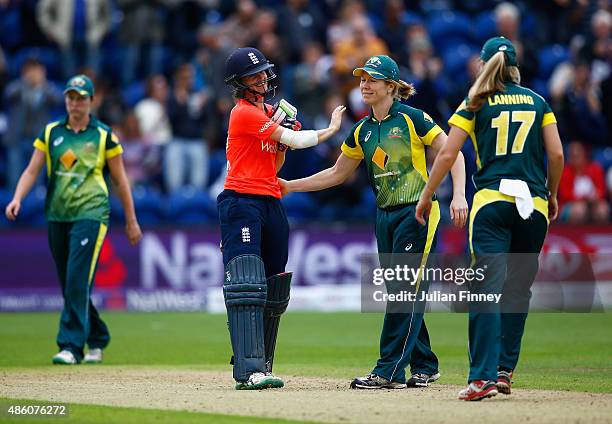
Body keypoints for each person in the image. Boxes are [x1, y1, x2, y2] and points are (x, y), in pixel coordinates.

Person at [280, 55, 468, 389]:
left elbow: (452, 151)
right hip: (384, 216)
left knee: (403, 291)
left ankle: (389, 370)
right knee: (400, 290)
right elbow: (337, 174)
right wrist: (291, 186)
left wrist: (458, 195)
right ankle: (424, 363)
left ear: (391, 86)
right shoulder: (363, 130)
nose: (364, 85)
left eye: (372, 80)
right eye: (362, 79)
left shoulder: (413, 119)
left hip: (418, 212)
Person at [415, 37, 564, 401]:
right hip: (534, 205)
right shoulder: (537, 100)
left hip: (492, 203)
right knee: (517, 291)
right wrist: (552, 193)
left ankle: (481, 379)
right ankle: (504, 370)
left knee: (485, 291)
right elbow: (557, 153)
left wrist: (427, 193)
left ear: (484, 65)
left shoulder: (476, 100)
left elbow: (448, 154)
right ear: (515, 67)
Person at [219, 47, 345, 390]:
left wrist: (278, 147)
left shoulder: (270, 114)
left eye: (264, 73)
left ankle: (262, 362)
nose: (263, 78)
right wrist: (330, 129)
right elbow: (294, 138)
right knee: (247, 282)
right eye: (254, 75)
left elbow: (274, 166)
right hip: (241, 199)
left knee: (273, 284)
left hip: (271, 199)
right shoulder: (242, 113)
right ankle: (248, 369)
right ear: (240, 83)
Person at [4, 74, 142, 365]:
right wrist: (17, 197)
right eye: (71, 98)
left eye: (81, 98)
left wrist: (131, 221)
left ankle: (70, 345)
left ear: (92, 101)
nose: (75, 104)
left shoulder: (104, 135)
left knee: (77, 278)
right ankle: (98, 337)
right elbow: (32, 170)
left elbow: (120, 180)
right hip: (57, 214)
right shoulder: (51, 131)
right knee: (70, 283)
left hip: (91, 214)